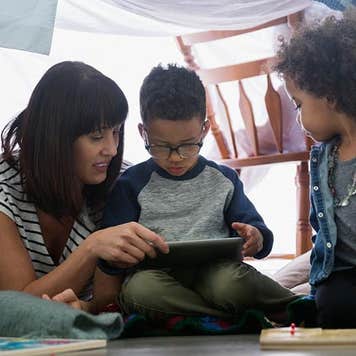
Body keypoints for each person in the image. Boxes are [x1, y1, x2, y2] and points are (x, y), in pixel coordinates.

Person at [98, 64, 298, 321]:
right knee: (139, 291)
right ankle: (223, 319)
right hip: (158, 277)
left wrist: (255, 237)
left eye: (188, 145)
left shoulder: (223, 179)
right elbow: (109, 254)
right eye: (160, 147)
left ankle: (295, 306)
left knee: (230, 284)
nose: (176, 157)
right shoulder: (129, 185)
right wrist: (119, 257)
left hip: (217, 273)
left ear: (204, 130)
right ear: (143, 133)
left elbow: (256, 232)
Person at [0, 61, 168, 314]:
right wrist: (91, 248)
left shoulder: (125, 183)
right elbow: (13, 309)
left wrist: (87, 307)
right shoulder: (4, 187)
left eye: (116, 132)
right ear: (55, 138)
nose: (111, 149)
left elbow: (118, 297)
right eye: (96, 136)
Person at [275, 9, 356, 328]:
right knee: (333, 306)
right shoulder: (323, 159)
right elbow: (322, 233)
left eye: (299, 105)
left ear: (331, 98)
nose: (298, 117)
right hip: (341, 271)